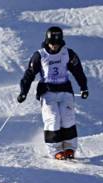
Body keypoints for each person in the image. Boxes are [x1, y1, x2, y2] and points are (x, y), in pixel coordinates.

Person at [17, 26, 89, 160]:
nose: (54, 46)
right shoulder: (40, 55)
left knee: (68, 118)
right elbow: (29, 75)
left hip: (65, 90)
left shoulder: (68, 53)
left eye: (57, 43)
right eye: (51, 43)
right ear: (47, 41)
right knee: (53, 118)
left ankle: (69, 148)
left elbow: (78, 71)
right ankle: (54, 150)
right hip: (47, 91)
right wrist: (23, 92)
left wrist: (83, 87)